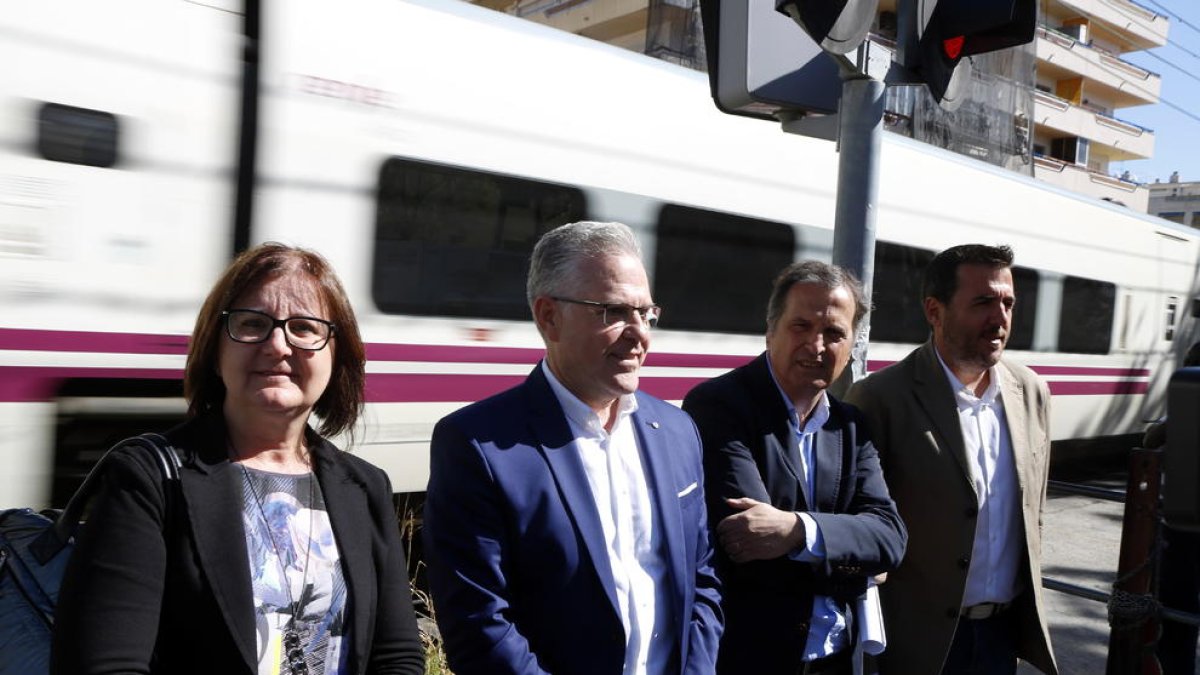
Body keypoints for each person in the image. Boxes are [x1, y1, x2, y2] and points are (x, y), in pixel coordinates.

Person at [52, 243, 425, 675]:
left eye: (304, 328)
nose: (277, 344)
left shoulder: (364, 487)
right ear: (215, 348)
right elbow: (107, 665)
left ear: (336, 353)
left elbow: (396, 655)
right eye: (252, 324)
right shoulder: (148, 479)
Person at [423, 221, 723, 675]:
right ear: (548, 316)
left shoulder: (678, 431)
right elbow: (480, 624)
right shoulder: (479, 445)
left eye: (646, 312)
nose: (639, 333)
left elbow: (701, 584)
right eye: (615, 312)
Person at [682, 261, 907, 675]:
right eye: (801, 326)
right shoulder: (720, 406)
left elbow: (891, 538)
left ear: (853, 344)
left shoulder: (851, 426)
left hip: (833, 659)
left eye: (835, 333)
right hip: (752, 657)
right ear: (770, 330)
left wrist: (797, 531)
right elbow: (748, 543)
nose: (817, 345)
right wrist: (858, 563)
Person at [845, 244, 1056, 675]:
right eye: (983, 302)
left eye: (1008, 303)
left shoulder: (1031, 391)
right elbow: (859, 526)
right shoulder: (882, 398)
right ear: (934, 311)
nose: (1000, 318)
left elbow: (1033, 513)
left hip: (1001, 637)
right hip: (917, 641)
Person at [1152, 341, 1200, 675]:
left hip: (1182, 527)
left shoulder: (1187, 395)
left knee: (1176, 608)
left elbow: (1151, 441)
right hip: (1182, 522)